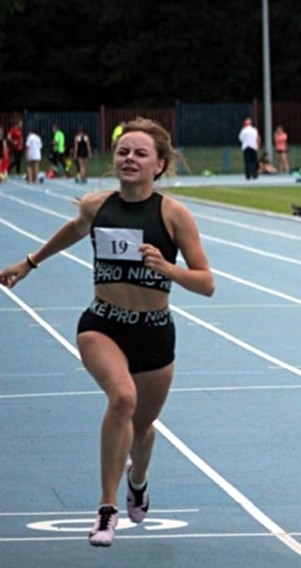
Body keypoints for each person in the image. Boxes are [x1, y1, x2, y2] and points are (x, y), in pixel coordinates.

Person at [0, 117, 215, 547]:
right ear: (113, 159)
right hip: (102, 325)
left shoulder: (173, 215)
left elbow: (206, 282)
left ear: (159, 165)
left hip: (154, 332)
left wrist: (167, 267)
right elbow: (73, 231)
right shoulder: (97, 207)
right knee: (122, 399)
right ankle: (106, 509)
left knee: (143, 426)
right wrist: (29, 261)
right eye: (122, 151)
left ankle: (138, 478)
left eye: (140, 153)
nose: (129, 158)